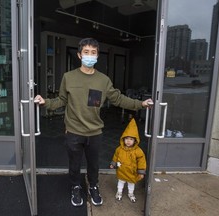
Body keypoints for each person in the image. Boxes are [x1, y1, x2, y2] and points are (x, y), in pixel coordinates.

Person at [35, 38, 152, 207]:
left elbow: (118, 99)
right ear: (79, 55)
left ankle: (94, 187)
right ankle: (75, 186)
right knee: (74, 164)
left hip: (95, 132)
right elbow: (60, 100)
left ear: (97, 56)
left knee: (94, 165)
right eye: (86, 52)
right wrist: (45, 102)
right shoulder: (68, 77)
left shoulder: (103, 80)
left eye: (93, 52)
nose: (90, 55)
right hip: (74, 132)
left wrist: (140, 104)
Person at [110, 118, 146, 203]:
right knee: (121, 182)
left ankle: (131, 193)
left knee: (131, 183)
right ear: (123, 139)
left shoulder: (138, 151)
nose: (128, 141)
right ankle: (119, 192)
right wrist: (113, 163)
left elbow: (142, 161)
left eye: (131, 139)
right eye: (126, 139)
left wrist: (141, 172)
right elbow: (115, 156)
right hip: (122, 170)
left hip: (132, 172)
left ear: (135, 140)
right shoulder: (119, 149)